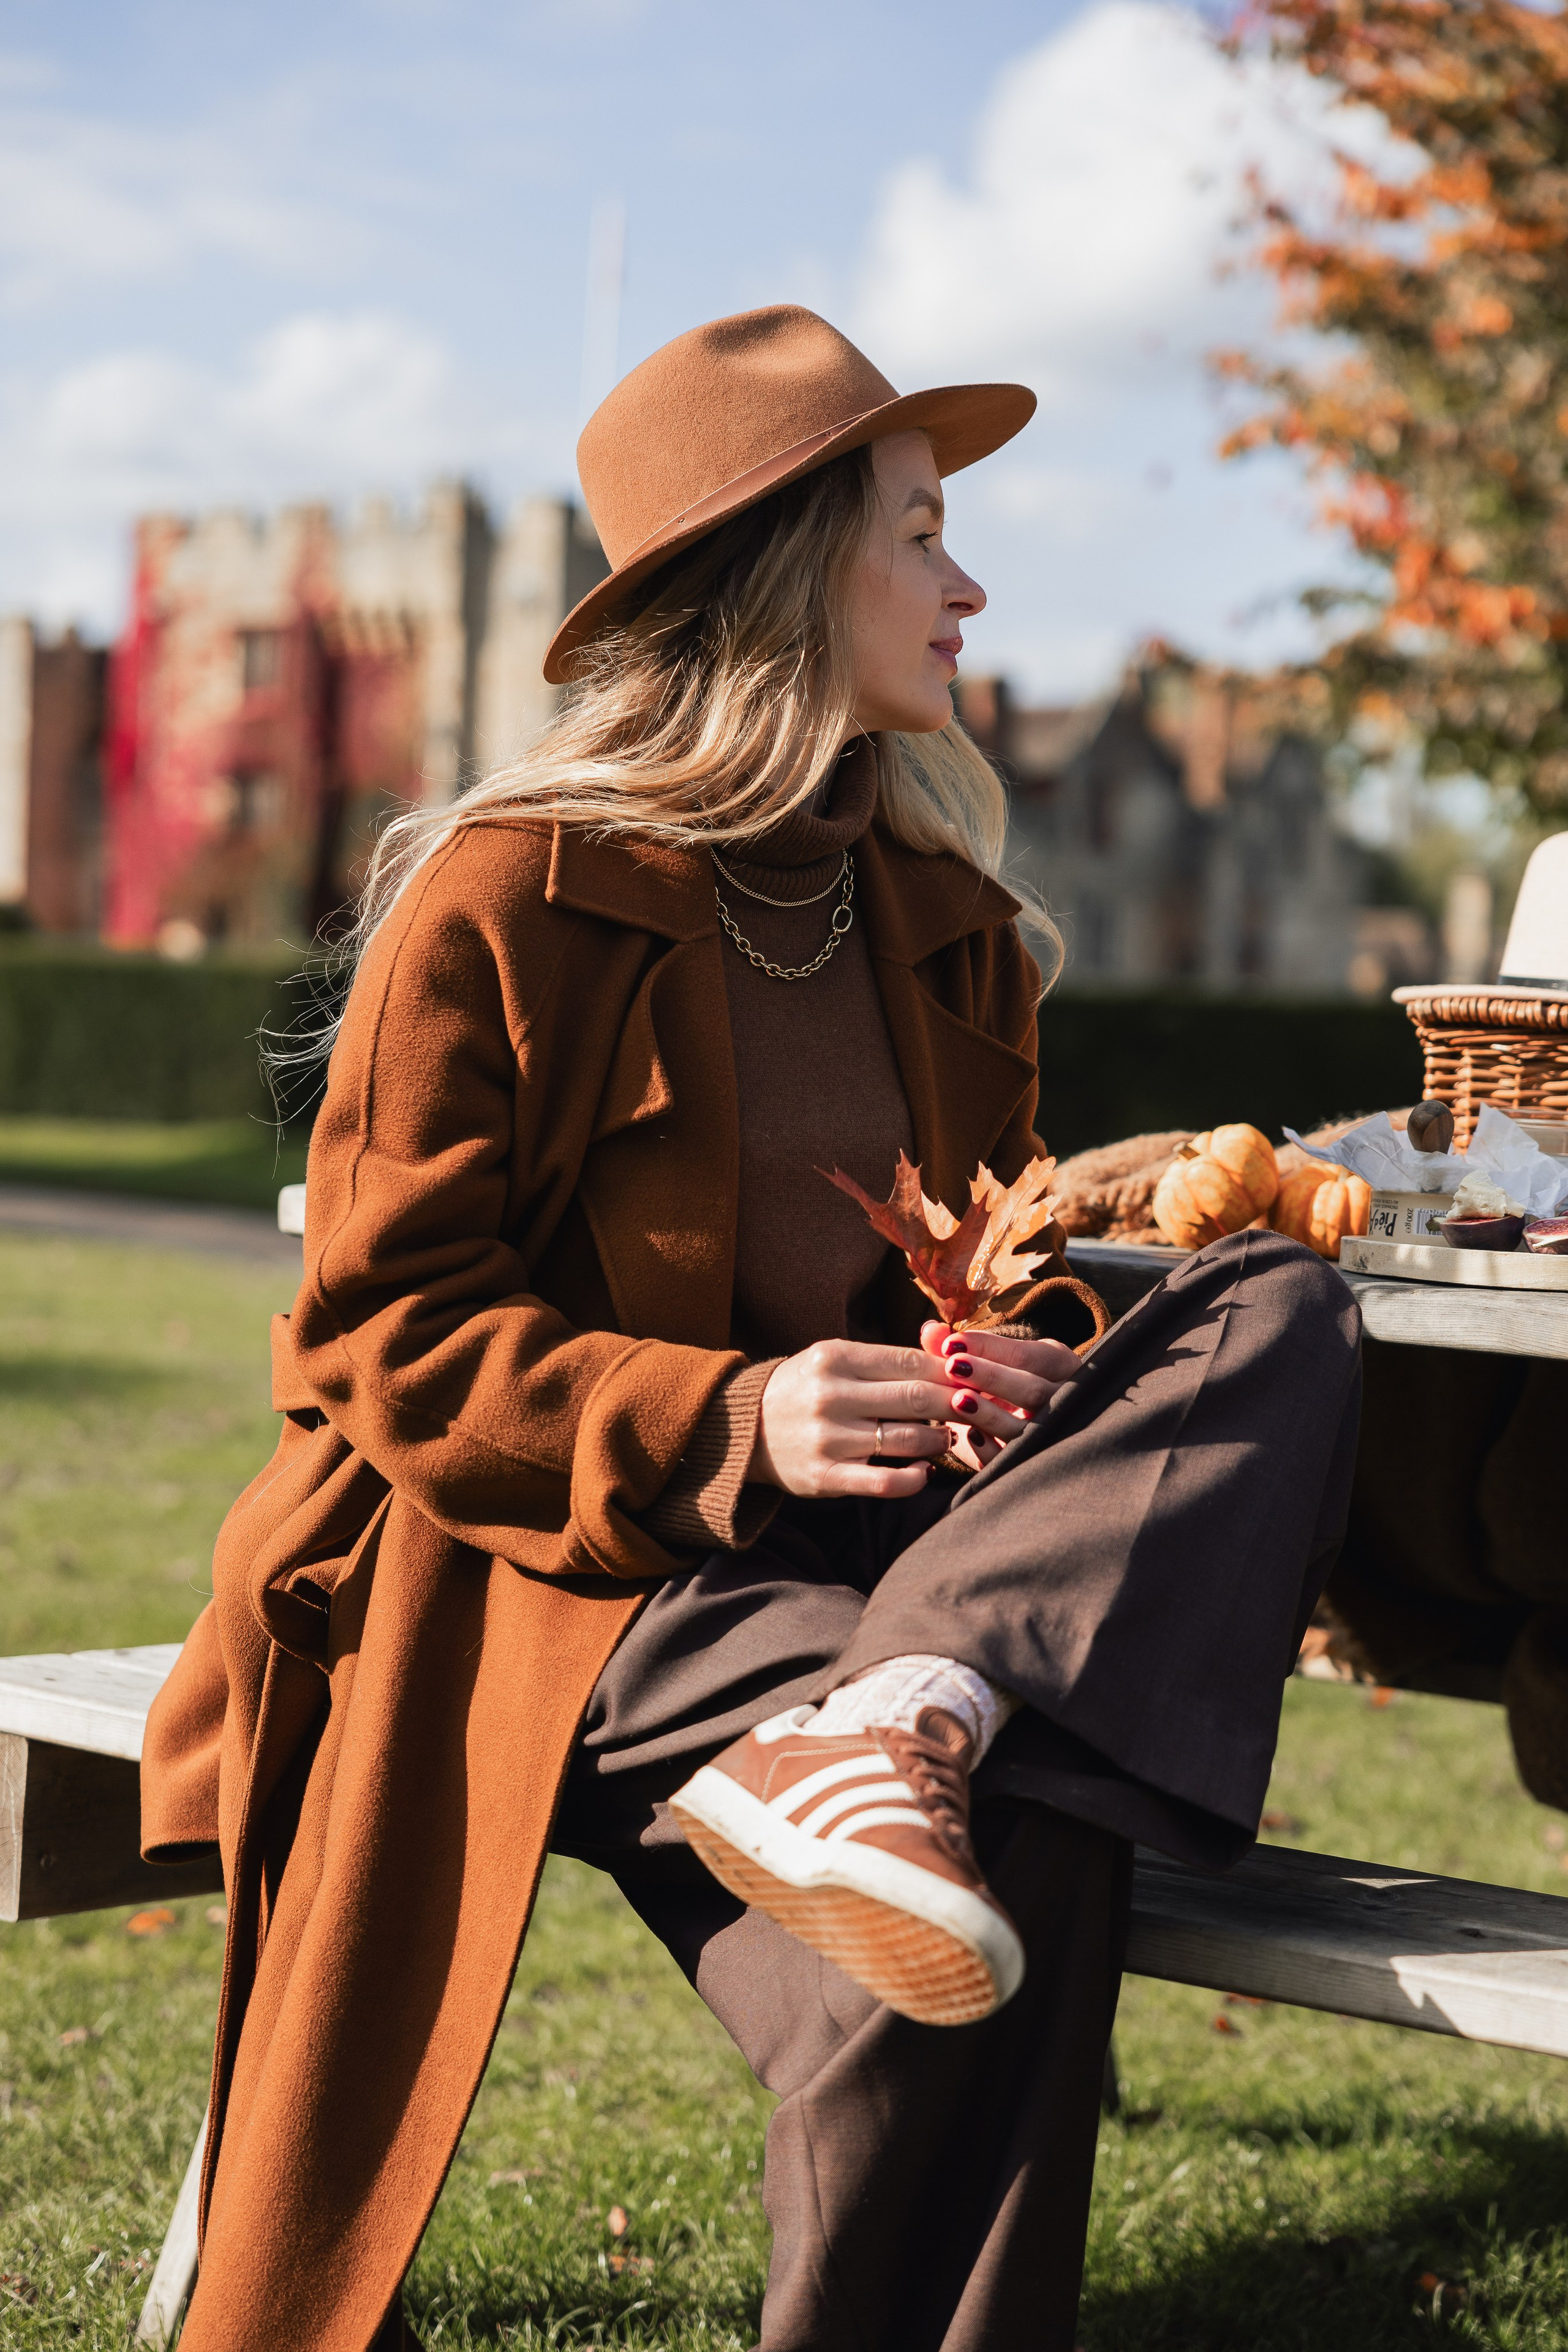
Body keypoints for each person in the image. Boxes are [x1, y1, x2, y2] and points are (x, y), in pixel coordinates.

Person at [141, 305, 1363, 2352]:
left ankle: (903, 1718)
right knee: (996, 1895)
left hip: (890, 1581)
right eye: (918, 534)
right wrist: (744, 1417)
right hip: (568, 1570)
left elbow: (992, 1244)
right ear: (784, 570)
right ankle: (915, 1726)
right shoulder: (509, 899)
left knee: (1278, 1306)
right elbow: (384, 1334)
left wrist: (1010, 1352)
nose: (969, 585)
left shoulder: (947, 921)